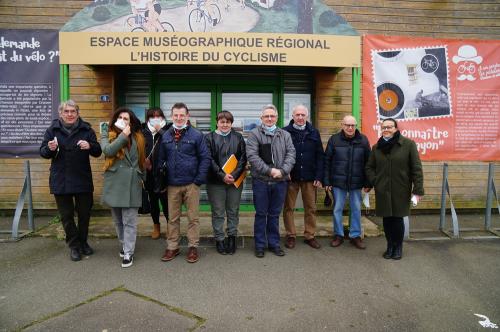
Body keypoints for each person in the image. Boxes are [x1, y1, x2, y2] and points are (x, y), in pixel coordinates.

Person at [40, 100, 102, 262]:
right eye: (66, 111)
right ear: (60, 114)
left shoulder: (86, 129)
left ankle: (83, 242)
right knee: (66, 216)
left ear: (77, 113)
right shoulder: (52, 130)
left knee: (84, 214)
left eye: (73, 111)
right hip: (60, 179)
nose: (70, 114)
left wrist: (90, 145)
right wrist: (50, 148)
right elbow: (43, 152)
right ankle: (74, 246)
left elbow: (97, 151)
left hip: (82, 178)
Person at [158, 102, 211, 263]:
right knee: (172, 218)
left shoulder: (196, 135)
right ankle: (172, 247)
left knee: (193, 218)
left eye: (182, 115)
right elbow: (160, 160)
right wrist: (162, 180)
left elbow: (205, 158)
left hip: (191, 185)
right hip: (172, 184)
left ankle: (193, 247)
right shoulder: (166, 136)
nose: (179, 118)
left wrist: (198, 181)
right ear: (171, 116)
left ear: (187, 116)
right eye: (176, 115)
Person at [365, 118, 424, 260]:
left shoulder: (408, 145)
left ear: (396, 129)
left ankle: (398, 247)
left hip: (400, 189)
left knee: (397, 219)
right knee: (387, 219)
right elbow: (369, 167)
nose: (386, 129)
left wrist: (418, 190)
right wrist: (375, 181)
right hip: (383, 190)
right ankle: (389, 246)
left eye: (389, 127)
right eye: (384, 127)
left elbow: (416, 168)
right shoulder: (376, 147)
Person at [246, 104, 296, 258]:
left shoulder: (285, 135)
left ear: (277, 118)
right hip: (261, 181)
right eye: (266, 116)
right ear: (261, 118)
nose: (269, 118)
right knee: (261, 214)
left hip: (280, 182)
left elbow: (291, 154)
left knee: (274, 214)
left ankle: (274, 244)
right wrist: (270, 171)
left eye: (272, 116)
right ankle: (260, 245)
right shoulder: (254, 134)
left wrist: (282, 171)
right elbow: (253, 156)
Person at [101, 107, 146, 268]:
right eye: (120, 117)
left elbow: (141, 161)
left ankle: (128, 252)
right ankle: (123, 244)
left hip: (132, 183)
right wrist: (122, 136)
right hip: (115, 184)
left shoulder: (139, 138)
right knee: (118, 220)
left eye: (126, 118)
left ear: (131, 121)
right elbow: (107, 150)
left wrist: (142, 178)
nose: (123, 120)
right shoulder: (109, 134)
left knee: (130, 221)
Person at [324, 115, 371, 249]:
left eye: (352, 125)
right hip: (338, 182)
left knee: (356, 209)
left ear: (356, 126)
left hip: (357, 182)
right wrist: (326, 181)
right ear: (342, 125)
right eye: (347, 125)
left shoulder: (363, 140)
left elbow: (369, 163)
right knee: (337, 209)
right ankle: (338, 235)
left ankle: (355, 236)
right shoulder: (334, 139)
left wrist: (368, 183)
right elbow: (327, 161)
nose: (350, 128)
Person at [282, 104, 324, 249]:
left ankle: (310, 235)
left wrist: (319, 176)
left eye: (303, 115)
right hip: (290, 177)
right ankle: (291, 235)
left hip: (309, 177)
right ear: (292, 116)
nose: (300, 117)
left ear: (307, 116)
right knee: (288, 208)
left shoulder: (314, 132)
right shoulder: (284, 132)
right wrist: (283, 171)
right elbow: (281, 154)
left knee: (311, 208)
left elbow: (320, 156)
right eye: (297, 115)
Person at [205, 111, 247, 255]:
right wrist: (222, 175)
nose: (225, 124)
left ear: (231, 123)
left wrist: (233, 175)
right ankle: (219, 239)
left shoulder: (238, 137)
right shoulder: (208, 138)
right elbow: (208, 159)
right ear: (217, 122)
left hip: (235, 181)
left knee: (233, 210)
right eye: (222, 122)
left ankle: (232, 238)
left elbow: (243, 159)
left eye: (228, 122)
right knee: (218, 212)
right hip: (215, 181)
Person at [142, 107, 172, 240]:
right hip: (149, 174)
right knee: (153, 202)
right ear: (148, 119)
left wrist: (160, 129)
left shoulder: (168, 129)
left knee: (166, 203)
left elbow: (171, 143)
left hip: (164, 173)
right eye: (152, 117)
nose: (155, 119)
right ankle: (156, 226)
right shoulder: (143, 131)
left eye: (158, 116)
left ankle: (170, 227)